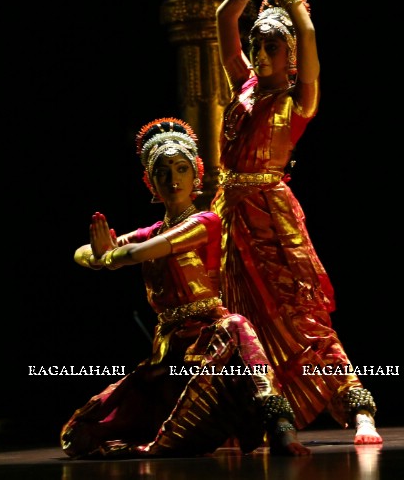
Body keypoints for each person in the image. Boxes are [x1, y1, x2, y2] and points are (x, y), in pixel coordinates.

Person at [213, 0, 383, 444]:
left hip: (271, 213)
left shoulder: (297, 101)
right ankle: (269, 418)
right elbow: (222, 18)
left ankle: (358, 410)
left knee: (300, 315)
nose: (260, 56)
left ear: (288, 55)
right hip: (229, 214)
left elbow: (307, 34)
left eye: (270, 48)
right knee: (241, 323)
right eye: (256, 46)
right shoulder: (243, 84)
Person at [61, 118, 309, 459]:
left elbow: (138, 252)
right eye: (163, 172)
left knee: (237, 326)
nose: (173, 178)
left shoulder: (205, 222)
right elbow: (81, 253)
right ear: (150, 182)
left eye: (181, 168)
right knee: (79, 434)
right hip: (168, 353)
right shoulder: (150, 232)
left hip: (209, 344)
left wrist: (109, 257)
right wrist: (101, 255)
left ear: (196, 175)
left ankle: (282, 428)